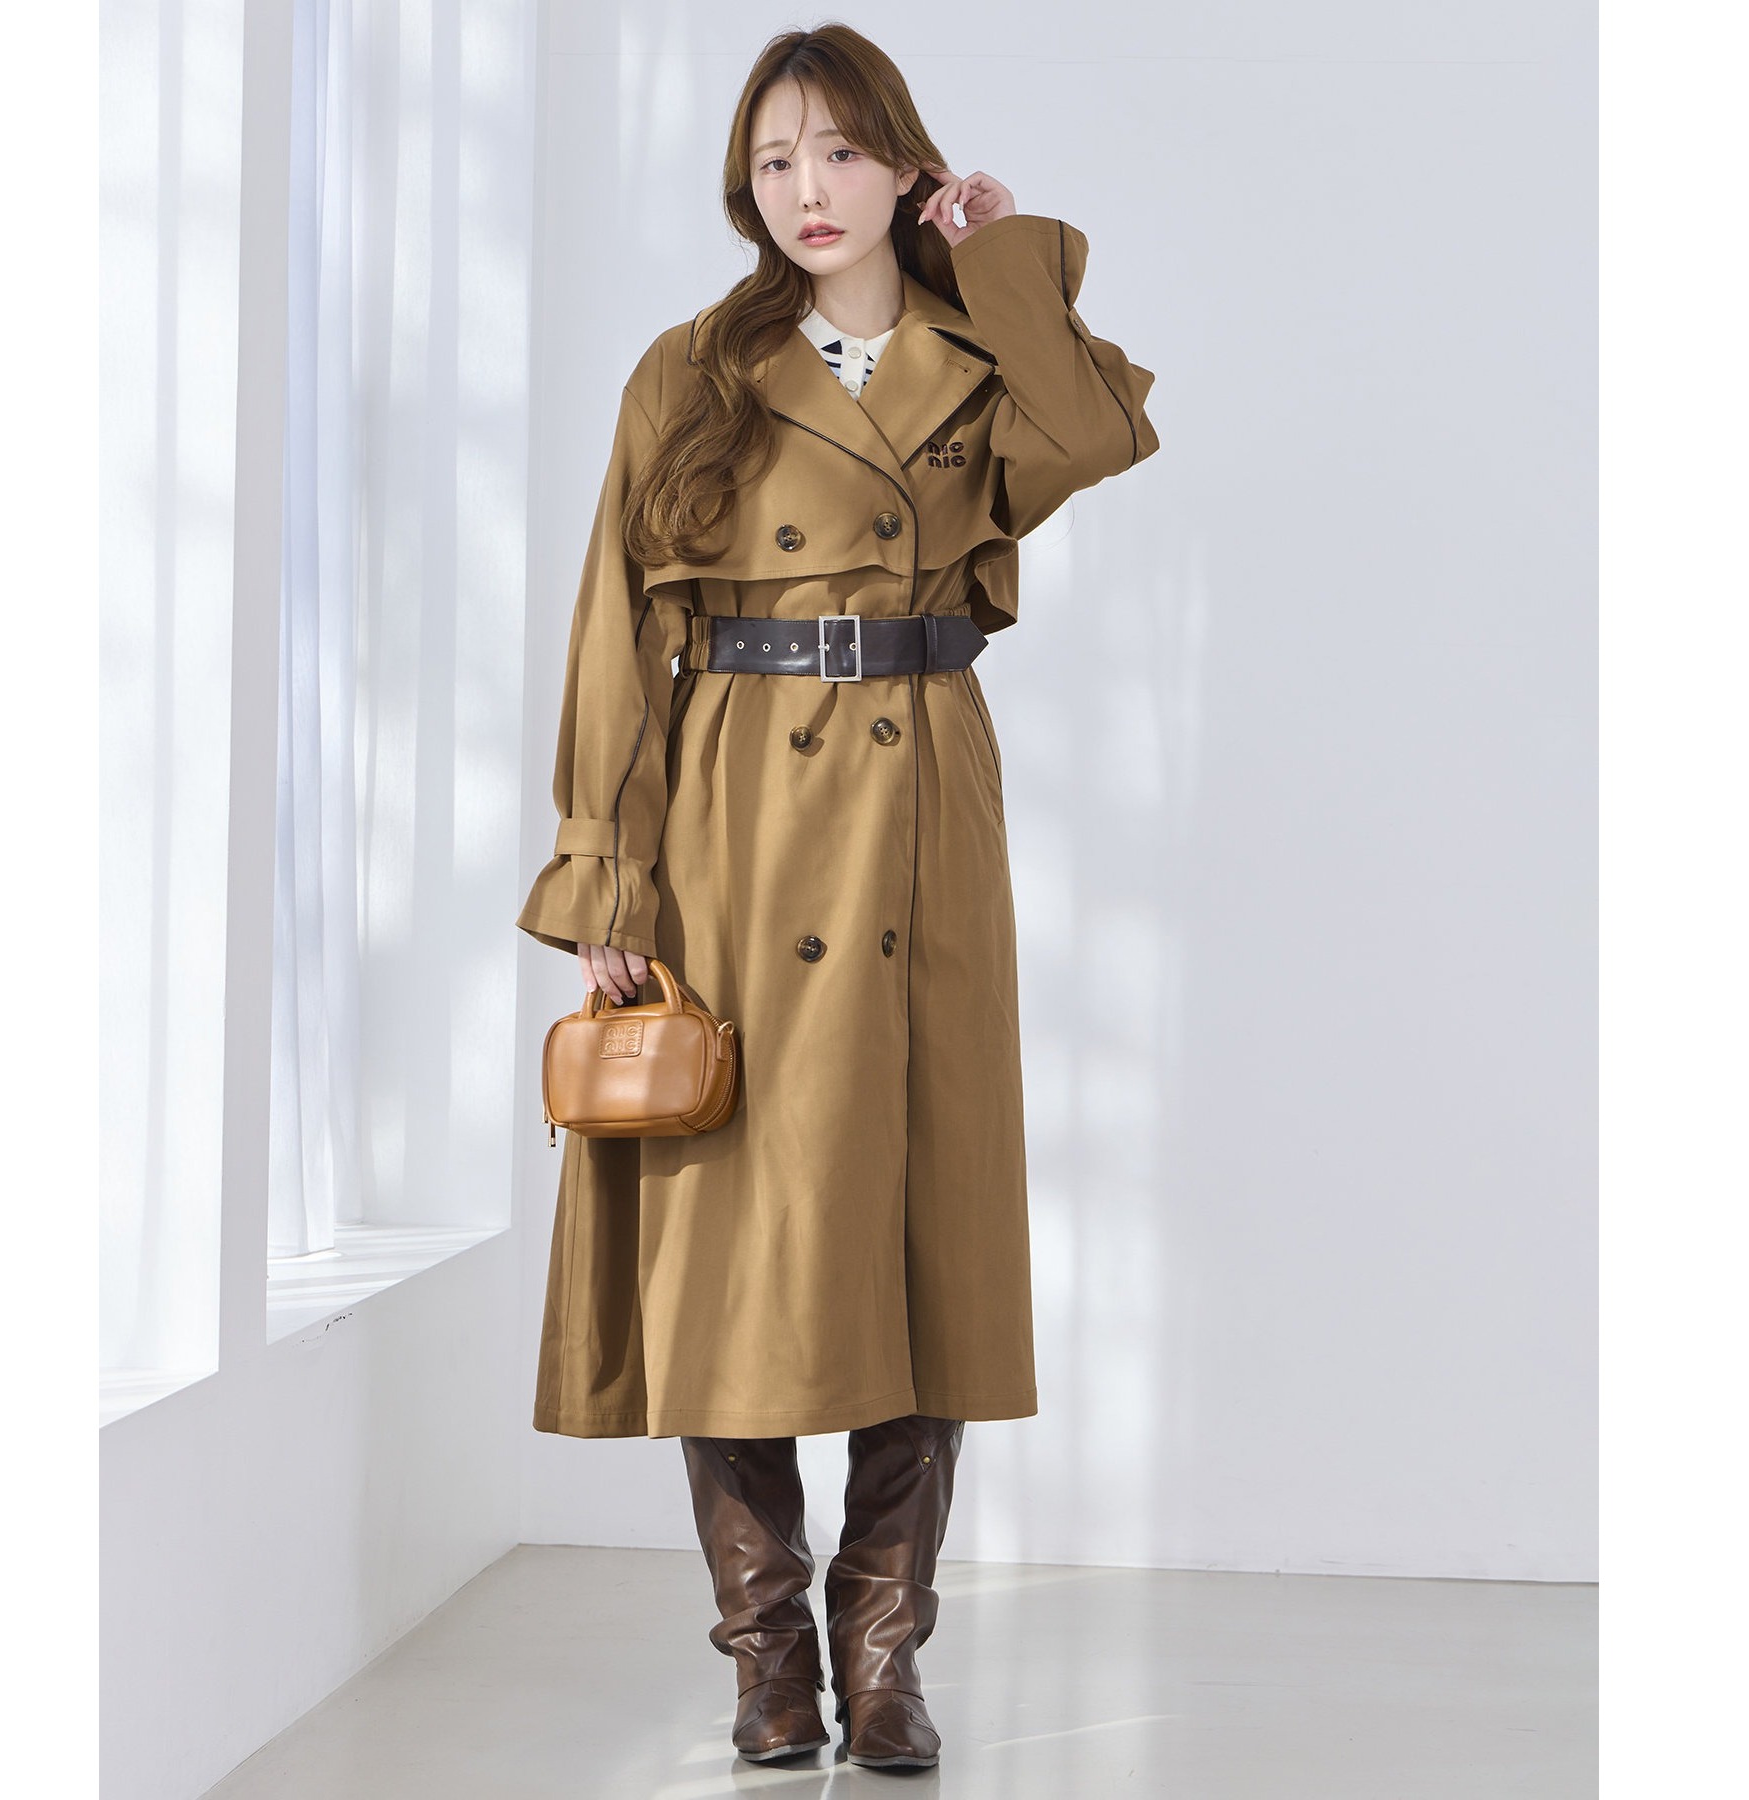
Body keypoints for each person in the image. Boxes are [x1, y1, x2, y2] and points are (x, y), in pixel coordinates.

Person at [515, 21, 1158, 1772]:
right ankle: (765, 1657)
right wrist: (609, 867)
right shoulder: (693, 370)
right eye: (777, 159)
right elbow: (617, 628)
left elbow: (1098, 432)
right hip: (734, 811)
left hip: (921, 806)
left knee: (917, 1224)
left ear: (906, 167)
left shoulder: (974, 353)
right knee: (736, 1234)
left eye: (844, 153)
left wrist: (998, 257)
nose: (809, 189)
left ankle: (884, 1655)